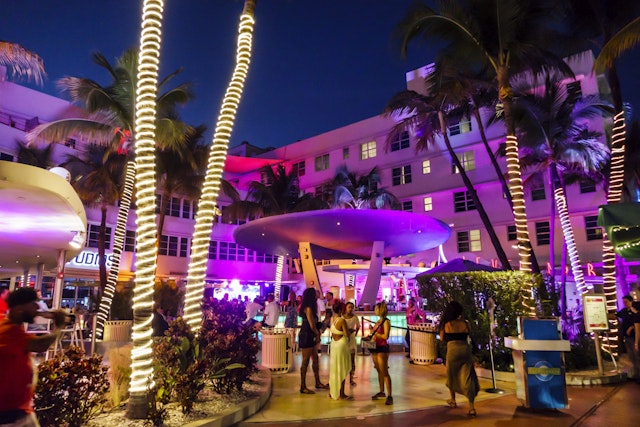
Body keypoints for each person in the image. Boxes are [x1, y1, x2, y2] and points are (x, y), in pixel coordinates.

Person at [0, 287, 69, 426]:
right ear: (19, 309)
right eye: (32, 304)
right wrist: (59, 326)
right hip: (10, 416)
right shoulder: (9, 331)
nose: (37, 306)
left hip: (19, 410)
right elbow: (40, 345)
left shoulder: (10, 327)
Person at [439, 300, 480, 417]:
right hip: (465, 350)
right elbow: (469, 335)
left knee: (452, 375)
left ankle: (453, 400)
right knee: (468, 377)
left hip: (453, 350)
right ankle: (471, 407)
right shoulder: (465, 323)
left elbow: (442, 339)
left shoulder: (446, 324)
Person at [298, 287, 328, 394]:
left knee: (315, 359)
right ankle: (303, 386)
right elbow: (311, 325)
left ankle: (317, 382)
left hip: (309, 334)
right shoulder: (309, 308)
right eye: (315, 294)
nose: (317, 295)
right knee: (306, 360)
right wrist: (317, 334)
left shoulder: (311, 307)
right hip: (307, 335)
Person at [368, 301, 393, 405]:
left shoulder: (385, 322)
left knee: (384, 372)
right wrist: (372, 331)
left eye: (376, 308)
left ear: (380, 309)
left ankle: (390, 395)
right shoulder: (378, 321)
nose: (374, 310)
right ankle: (382, 391)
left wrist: (376, 334)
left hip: (382, 348)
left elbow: (386, 336)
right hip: (375, 347)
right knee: (379, 371)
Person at [329, 301, 352, 400]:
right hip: (341, 345)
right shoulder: (342, 321)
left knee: (334, 369)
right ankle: (341, 393)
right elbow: (346, 334)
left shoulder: (333, 319)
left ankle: (332, 391)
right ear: (340, 310)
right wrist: (350, 331)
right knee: (342, 368)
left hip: (334, 344)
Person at [615, 295, 639, 377]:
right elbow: (616, 315)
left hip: (634, 336)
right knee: (632, 356)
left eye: (626, 302)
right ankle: (636, 374)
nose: (625, 304)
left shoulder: (635, 312)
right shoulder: (624, 311)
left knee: (637, 355)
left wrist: (632, 327)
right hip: (627, 336)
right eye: (623, 302)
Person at [343, 301, 360, 385]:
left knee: (352, 360)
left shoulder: (354, 317)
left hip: (351, 339)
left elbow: (358, 326)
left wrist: (355, 334)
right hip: (344, 339)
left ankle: (351, 378)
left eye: (352, 307)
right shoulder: (342, 317)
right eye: (349, 307)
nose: (350, 309)